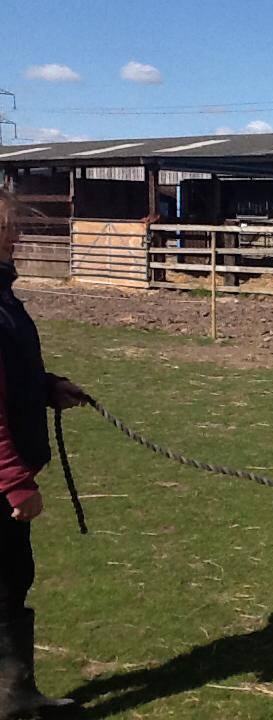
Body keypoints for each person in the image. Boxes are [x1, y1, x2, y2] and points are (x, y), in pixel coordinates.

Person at [0, 189, 88, 718]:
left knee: (13, 580)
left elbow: (9, 374)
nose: (18, 235)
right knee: (7, 582)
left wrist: (47, 386)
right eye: (10, 226)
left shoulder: (4, 297)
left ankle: (14, 694)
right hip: (2, 478)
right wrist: (13, 480)